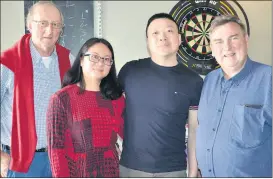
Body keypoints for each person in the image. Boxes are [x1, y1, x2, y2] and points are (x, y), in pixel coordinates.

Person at [118, 12, 203, 177]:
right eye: (155, 33)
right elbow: (110, 109)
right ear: (148, 41)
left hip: (173, 170)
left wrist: (192, 172)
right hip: (130, 169)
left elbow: (194, 130)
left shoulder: (194, 81)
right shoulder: (130, 71)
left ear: (178, 38)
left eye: (169, 31)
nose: (162, 37)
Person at [0, 1, 74, 177]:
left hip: (60, 159)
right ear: (29, 25)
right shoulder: (7, 63)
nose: (50, 30)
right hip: (19, 161)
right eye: (43, 23)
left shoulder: (69, 60)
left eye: (56, 25)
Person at [193, 15, 272, 177]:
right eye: (219, 42)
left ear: (246, 40)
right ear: (212, 48)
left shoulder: (268, 78)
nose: (227, 47)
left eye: (233, 38)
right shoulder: (209, 80)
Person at [46, 37, 125, 177]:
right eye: (94, 57)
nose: (101, 63)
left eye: (107, 59)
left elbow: (129, 134)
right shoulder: (61, 99)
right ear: (81, 60)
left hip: (110, 172)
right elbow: (56, 151)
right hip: (77, 173)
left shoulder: (116, 98)